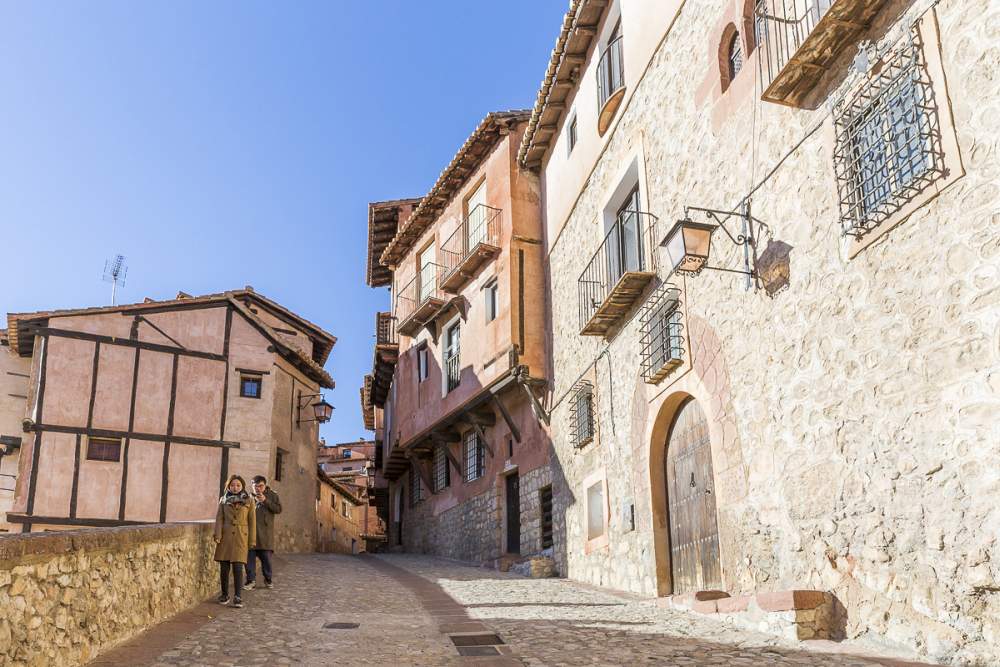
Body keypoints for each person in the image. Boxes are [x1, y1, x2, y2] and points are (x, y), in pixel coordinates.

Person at [214, 474, 256, 609]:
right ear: (228, 486)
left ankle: (238, 596)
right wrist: (218, 535)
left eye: (238, 485)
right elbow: (219, 519)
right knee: (224, 567)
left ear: (242, 486)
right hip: (225, 536)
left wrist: (252, 540)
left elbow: (252, 522)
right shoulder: (223, 500)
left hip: (241, 537)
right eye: (232, 485)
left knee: (238, 567)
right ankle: (225, 594)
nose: (235, 487)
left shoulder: (249, 500)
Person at [245, 474, 282, 590]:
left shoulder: (273, 495)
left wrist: (265, 501)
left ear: (265, 486)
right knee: (249, 560)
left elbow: (278, 509)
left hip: (265, 535)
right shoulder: (247, 497)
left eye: (260, 486)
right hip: (250, 534)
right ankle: (251, 581)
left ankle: (268, 579)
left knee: (266, 560)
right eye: (255, 486)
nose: (258, 489)